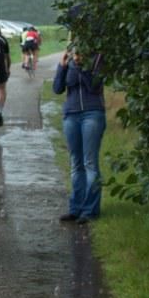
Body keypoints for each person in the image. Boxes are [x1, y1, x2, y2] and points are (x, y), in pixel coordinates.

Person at [52, 45, 107, 224]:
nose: (77, 54)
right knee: (76, 163)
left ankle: (90, 210)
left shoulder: (97, 58)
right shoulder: (68, 59)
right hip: (71, 114)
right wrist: (62, 66)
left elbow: (94, 85)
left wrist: (80, 67)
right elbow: (57, 88)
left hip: (92, 113)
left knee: (89, 162)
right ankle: (75, 208)